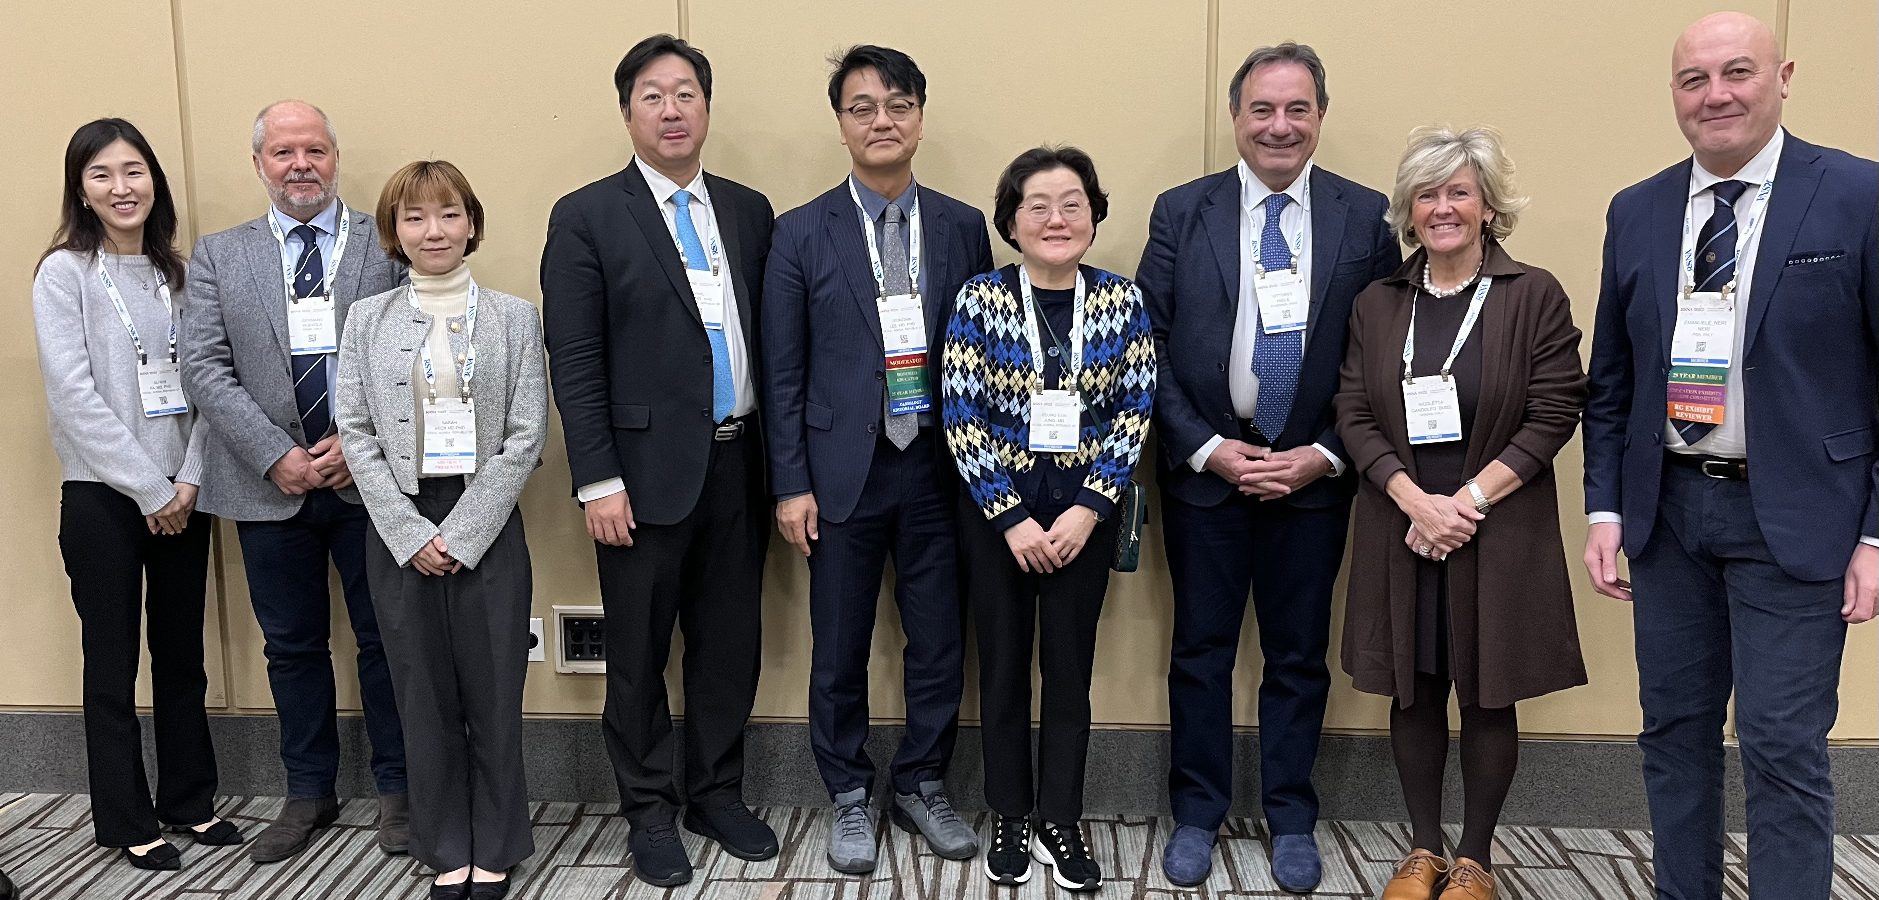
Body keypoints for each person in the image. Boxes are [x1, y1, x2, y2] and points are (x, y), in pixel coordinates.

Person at [1582, 13, 1878, 900]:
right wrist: (1605, 508)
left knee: (1781, 744)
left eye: (1736, 72)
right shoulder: (1636, 210)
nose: (1715, 95)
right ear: (1673, 94)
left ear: (1782, 77)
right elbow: (1612, 379)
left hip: (1798, 517)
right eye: (1693, 79)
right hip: (1668, 514)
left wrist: (1874, 535)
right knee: (1671, 733)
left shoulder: (1857, 195)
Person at [1134, 42, 1401, 889]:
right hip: (1205, 475)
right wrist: (1206, 449)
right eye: (1261, 109)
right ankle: (1196, 812)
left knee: (1296, 657)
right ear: (1235, 116)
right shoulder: (1183, 211)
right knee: (1200, 652)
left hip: (1312, 478)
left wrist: (1325, 453)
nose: (1278, 126)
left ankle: (1290, 817)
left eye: (1296, 109)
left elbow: (1384, 351)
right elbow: (1147, 345)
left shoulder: (1366, 217)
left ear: (1320, 115)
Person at [541, 34, 776, 888]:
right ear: (627, 112)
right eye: (652, 95)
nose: (671, 110)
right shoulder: (587, 214)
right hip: (637, 480)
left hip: (740, 463)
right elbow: (574, 359)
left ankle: (715, 793)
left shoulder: (748, 210)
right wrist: (597, 479)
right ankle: (647, 809)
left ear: (706, 108)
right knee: (638, 653)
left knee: (728, 645)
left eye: (685, 94)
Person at [1335, 126, 1587, 900]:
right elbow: (1352, 412)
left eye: (1458, 192)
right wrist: (1414, 500)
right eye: (1426, 194)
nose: (1441, 208)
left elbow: (1553, 412)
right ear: (1407, 211)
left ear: (1487, 207)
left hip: (1495, 525)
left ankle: (1474, 859)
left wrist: (1465, 503)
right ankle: (1421, 850)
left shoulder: (1531, 295)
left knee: (1486, 692)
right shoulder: (1378, 303)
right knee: (1412, 686)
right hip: (1402, 525)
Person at [760, 44, 992, 873]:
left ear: (920, 119)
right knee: (839, 646)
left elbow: (980, 354)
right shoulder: (798, 231)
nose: (881, 120)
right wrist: (790, 484)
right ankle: (849, 793)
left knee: (937, 642)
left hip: (937, 467)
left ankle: (922, 782)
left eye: (898, 105)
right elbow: (782, 371)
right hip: (838, 474)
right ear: (841, 124)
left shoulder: (963, 226)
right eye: (862, 107)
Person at [180, 99, 409, 863]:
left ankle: (400, 789)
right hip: (265, 486)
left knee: (386, 641)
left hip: (367, 480)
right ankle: (308, 791)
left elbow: (409, 351)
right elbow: (204, 366)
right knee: (290, 647)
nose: (300, 164)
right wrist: (273, 454)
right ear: (259, 164)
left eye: (314, 149)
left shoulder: (385, 243)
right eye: (283, 152)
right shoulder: (219, 255)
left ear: (334, 157)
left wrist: (358, 441)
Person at [32, 118, 244, 872]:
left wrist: (188, 478)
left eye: (133, 171)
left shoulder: (179, 274)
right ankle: (126, 819)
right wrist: (151, 486)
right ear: (81, 190)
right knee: (112, 662)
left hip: (185, 494)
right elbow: (73, 398)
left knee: (183, 656)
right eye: (101, 175)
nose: (121, 188)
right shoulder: (64, 275)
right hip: (104, 499)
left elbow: (210, 383)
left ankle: (189, 799)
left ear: (154, 180)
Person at [942, 146, 1155, 892]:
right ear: (1011, 221)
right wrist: (1010, 518)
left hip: (1082, 521)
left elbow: (1135, 411)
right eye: (1037, 205)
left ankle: (1059, 817)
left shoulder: (1123, 302)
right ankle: (1009, 810)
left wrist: (1089, 510)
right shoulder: (978, 300)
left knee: (1070, 672)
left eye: (1072, 204)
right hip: (997, 519)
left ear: (1094, 216)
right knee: (1002, 669)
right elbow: (960, 413)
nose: (1056, 219)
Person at [336, 160, 546, 900]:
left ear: (471, 223)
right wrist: (409, 532)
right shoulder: (365, 320)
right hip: (399, 521)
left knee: (494, 691)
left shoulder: (515, 317)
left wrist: (463, 532)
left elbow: (526, 435)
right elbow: (355, 432)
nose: (434, 230)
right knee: (421, 695)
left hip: (487, 519)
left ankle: (497, 843)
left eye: (449, 213)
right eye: (415, 217)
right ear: (394, 232)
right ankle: (445, 843)